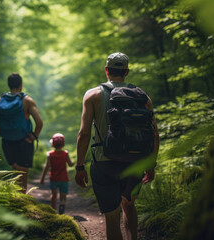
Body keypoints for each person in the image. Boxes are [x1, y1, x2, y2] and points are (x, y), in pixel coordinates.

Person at [75, 52, 160, 240]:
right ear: (127, 72)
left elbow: (84, 134)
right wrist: (151, 164)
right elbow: (154, 133)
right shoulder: (143, 97)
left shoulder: (93, 95)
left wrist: (80, 166)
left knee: (112, 216)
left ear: (106, 70)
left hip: (104, 162)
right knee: (129, 204)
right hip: (135, 161)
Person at [0, 73, 43, 194]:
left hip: (7, 141)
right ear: (20, 85)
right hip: (24, 141)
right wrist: (33, 137)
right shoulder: (27, 101)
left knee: (15, 170)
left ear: (9, 85)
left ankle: (16, 201)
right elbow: (39, 122)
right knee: (22, 173)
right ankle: (21, 203)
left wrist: (1, 131)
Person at [40, 133, 74, 214]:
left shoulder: (50, 154)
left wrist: (42, 178)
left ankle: (54, 211)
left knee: (54, 196)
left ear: (52, 144)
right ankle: (62, 208)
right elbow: (70, 164)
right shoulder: (65, 154)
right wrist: (75, 163)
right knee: (63, 196)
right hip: (64, 179)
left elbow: (47, 166)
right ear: (63, 144)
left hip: (54, 178)